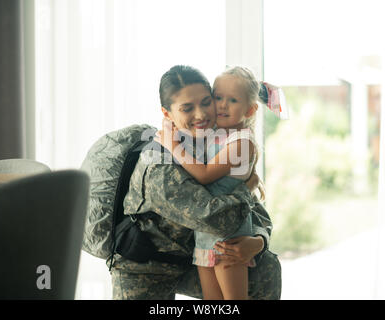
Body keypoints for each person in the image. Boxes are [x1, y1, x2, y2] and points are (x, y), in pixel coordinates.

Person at [110, 65, 281, 300]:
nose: (201, 115)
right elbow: (214, 216)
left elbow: (254, 211)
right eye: (187, 108)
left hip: (190, 256)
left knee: (265, 268)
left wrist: (258, 241)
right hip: (147, 267)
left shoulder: (214, 140)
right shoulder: (160, 160)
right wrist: (247, 187)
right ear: (167, 113)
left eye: (206, 102)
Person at [157, 66, 276, 300]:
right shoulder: (214, 134)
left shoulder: (240, 141)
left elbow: (204, 174)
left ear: (250, 110)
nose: (221, 106)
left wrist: (173, 147)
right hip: (205, 239)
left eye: (232, 100)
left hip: (228, 238)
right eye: (218, 97)